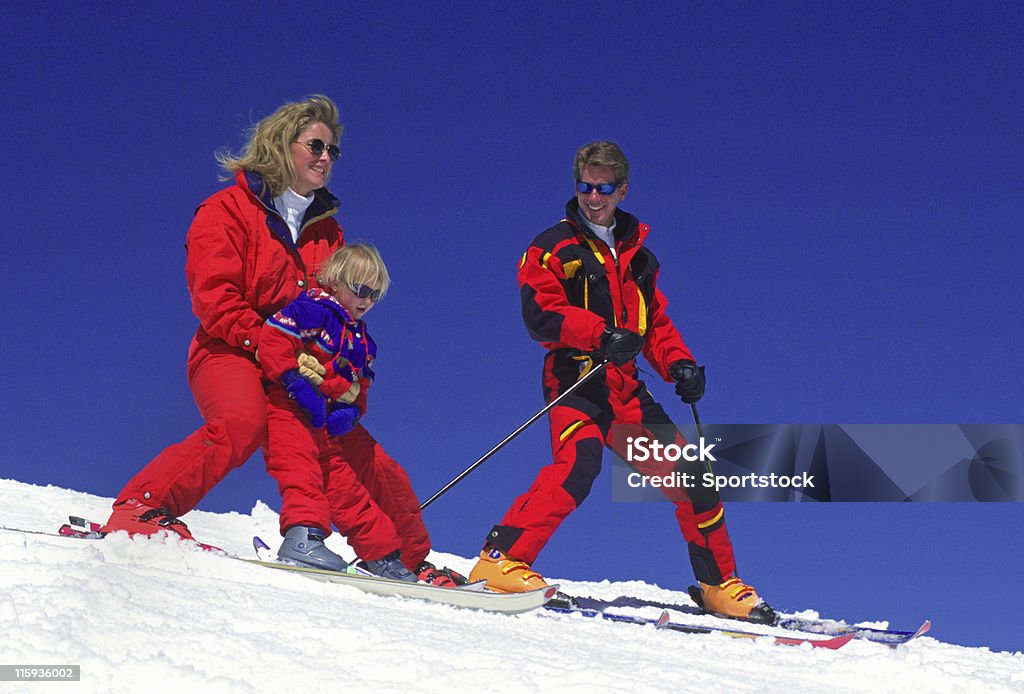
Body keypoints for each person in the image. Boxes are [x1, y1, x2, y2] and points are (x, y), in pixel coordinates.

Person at [100, 96, 434, 580]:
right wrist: (272, 343)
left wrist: (338, 377)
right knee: (242, 421)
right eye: (316, 145)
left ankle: (407, 559)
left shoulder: (327, 231)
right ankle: (141, 509)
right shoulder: (228, 210)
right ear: (282, 143)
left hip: (299, 366)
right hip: (230, 348)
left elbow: (334, 315)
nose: (326, 157)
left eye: (333, 150)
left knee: (359, 450)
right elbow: (214, 297)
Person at [468, 141, 773, 621]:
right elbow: (540, 313)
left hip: (626, 389)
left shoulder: (640, 258)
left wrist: (680, 366)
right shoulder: (551, 247)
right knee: (578, 465)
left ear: (622, 189)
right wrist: (600, 334)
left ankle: (718, 585)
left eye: (604, 187)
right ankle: (499, 561)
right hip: (577, 378)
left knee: (692, 477)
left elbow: (655, 326)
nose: (593, 197)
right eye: (585, 187)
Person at [256, 243, 429, 582]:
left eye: (375, 295)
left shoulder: (363, 341)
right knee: (302, 471)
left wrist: (351, 412)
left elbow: (360, 385)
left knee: (346, 488)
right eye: (360, 289)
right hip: (288, 407)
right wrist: (293, 381)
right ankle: (302, 537)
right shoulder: (312, 310)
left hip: (324, 422)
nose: (367, 300)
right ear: (335, 280)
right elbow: (275, 338)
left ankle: (381, 554)